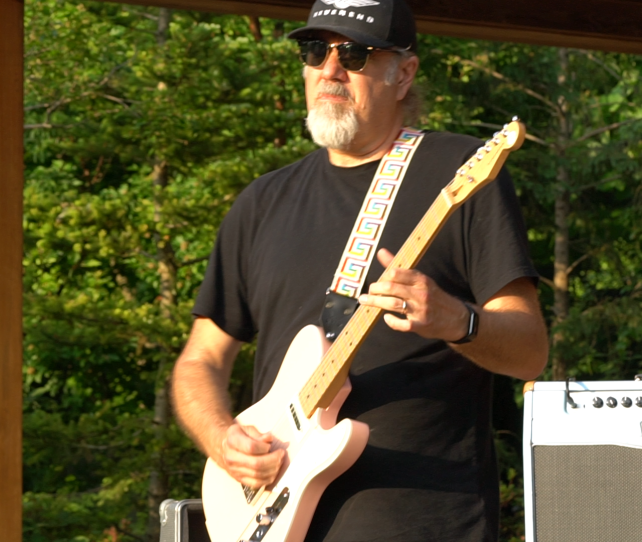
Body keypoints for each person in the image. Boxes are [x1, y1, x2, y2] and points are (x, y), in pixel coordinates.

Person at [171, 1, 549, 540]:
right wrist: (222, 439)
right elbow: (200, 361)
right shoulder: (261, 202)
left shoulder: (460, 174)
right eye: (314, 50)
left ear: (404, 73)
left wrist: (454, 320)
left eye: (354, 53)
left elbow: (530, 349)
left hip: (425, 523)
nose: (330, 68)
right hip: (271, 519)